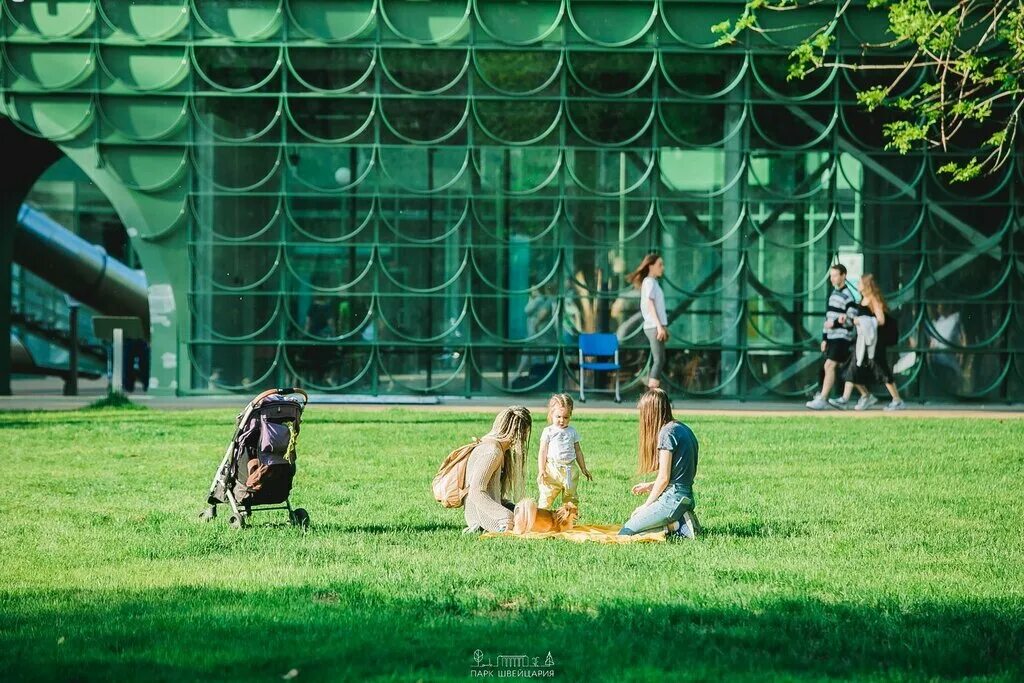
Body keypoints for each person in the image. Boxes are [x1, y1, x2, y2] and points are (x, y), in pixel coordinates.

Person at [619, 389, 700, 539]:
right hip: (686, 496)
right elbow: (678, 474)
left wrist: (645, 506)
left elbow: (664, 478)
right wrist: (650, 486)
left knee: (626, 531)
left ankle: (677, 525)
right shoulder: (683, 428)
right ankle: (680, 521)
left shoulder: (667, 433)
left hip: (672, 499)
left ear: (651, 412)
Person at [829, 273, 906, 411]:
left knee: (881, 368)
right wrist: (848, 319)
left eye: (860, 283)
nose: (858, 285)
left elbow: (881, 320)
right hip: (861, 342)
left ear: (866, 285)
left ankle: (897, 399)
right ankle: (848, 398)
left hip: (873, 343)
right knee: (853, 367)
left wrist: (862, 321)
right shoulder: (862, 300)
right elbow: (858, 319)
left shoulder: (873, 299)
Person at [463, 406, 533, 533]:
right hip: (483, 520)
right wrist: (506, 517)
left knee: (531, 513)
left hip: (490, 512)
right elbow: (475, 492)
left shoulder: (498, 448)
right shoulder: (492, 452)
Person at [806, 263, 858, 410]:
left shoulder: (848, 296)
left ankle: (823, 398)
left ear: (843, 276)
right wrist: (825, 338)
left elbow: (851, 320)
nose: (832, 279)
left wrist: (835, 323)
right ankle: (866, 395)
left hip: (842, 337)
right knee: (833, 367)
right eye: (831, 276)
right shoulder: (834, 294)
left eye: (835, 275)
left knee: (830, 365)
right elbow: (829, 318)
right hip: (832, 337)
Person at [536, 393, 593, 510]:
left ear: (570, 415)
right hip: (552, 470)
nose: (562, 420)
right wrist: (541, 469)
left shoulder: (572, 431)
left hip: (570, 470)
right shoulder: (548, 431)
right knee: (546, 498)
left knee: (571, 499)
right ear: (551, 414)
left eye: (566, 417)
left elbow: (578, 451)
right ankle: (541, 517)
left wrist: (583, 468)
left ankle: (570, 518)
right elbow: (542, 451)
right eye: (558, 417)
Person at [626, 253, 669, 389]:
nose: (662, 268)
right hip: (653, 326)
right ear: (651, 266)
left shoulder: (653, 282)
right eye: (659, 265)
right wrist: (659, 326)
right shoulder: (649, 282)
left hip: (655, 326)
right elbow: (650, 304)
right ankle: (652, 393)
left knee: (659, 359)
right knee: (659, 360)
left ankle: (652, 390)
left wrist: (662, 326)